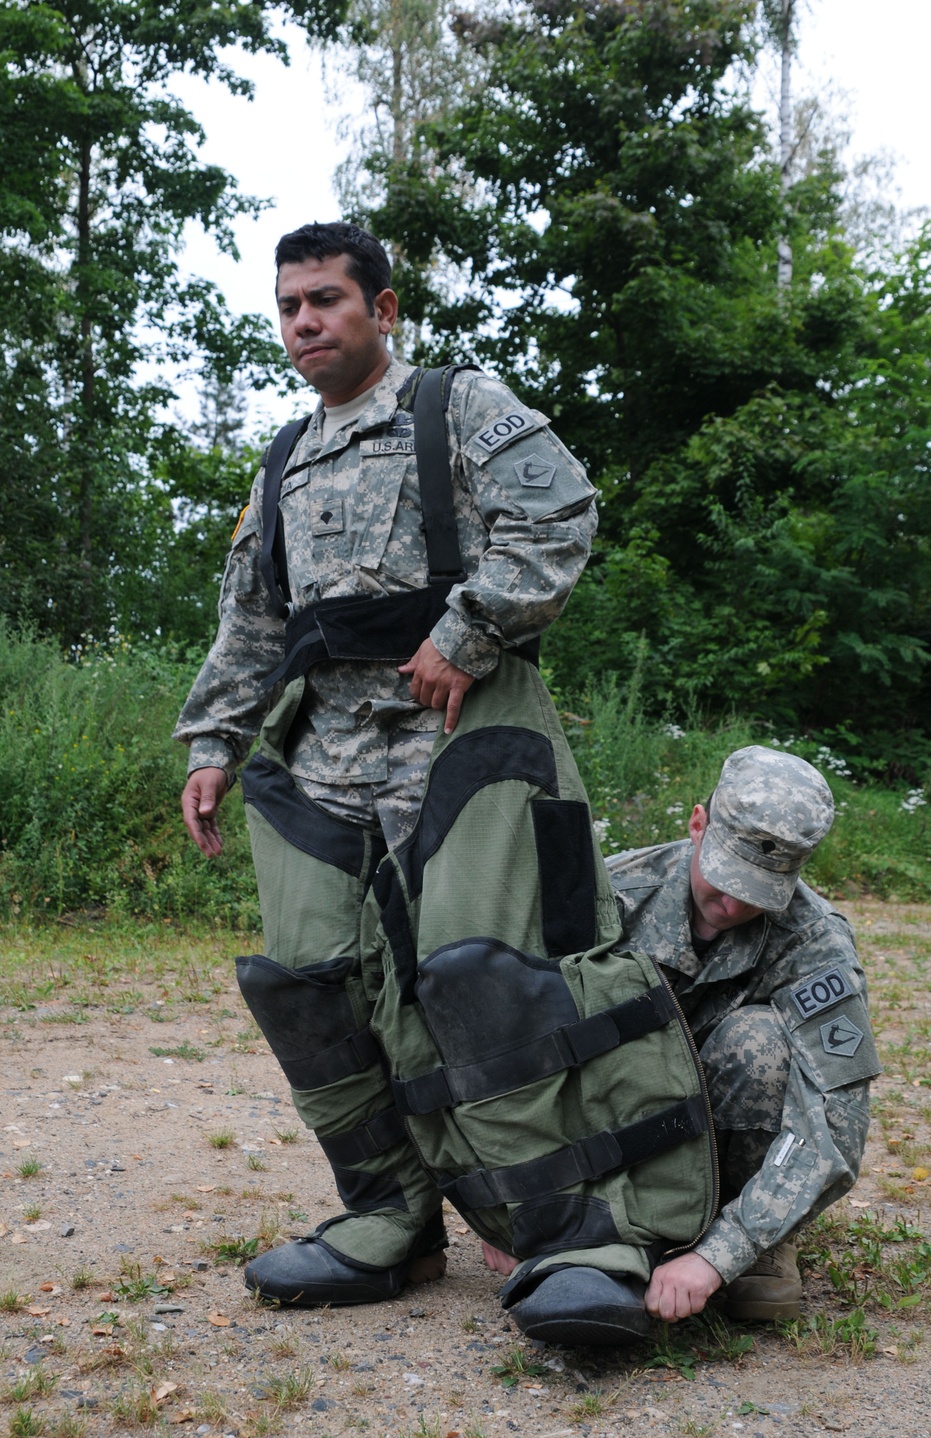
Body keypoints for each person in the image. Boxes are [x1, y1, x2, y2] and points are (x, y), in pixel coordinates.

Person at [174, 221, 600, 1305]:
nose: (304, 322)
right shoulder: (284, 459)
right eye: (288, 306)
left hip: (455, 741)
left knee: (477, 980)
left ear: (385, 308)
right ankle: (387, 1217)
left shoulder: (456, 407)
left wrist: (468, 632)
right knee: (305, 984)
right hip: (324, 759)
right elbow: (252, 621)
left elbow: (557, 517)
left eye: (326, 299)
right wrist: (216, 740)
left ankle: (558, 1225)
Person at [482, 743, 881, 1325]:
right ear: (698, 823)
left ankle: (755, 1239)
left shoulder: (815, 942)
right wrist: (503, 1201)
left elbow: (834, 1125)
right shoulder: (610, 894)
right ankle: (603, 1218)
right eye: (725, 876)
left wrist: (722, 1256)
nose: (732, 902)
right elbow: (509, 1042)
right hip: (605, 1133)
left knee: (760, 1040)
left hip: (721, 1154)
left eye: (759, 890)